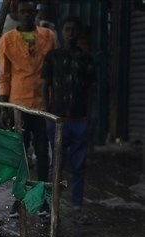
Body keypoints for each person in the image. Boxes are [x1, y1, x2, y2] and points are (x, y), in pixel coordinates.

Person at [0, 1, 55, 219]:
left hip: (42, 105)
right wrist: (4, 107)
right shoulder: (8, 40)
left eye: (31, 11)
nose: (28, 15)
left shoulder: (48, 37)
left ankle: (41, 200)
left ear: (36, 13)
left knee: (42, 153)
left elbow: (53, 70)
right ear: (16, 14)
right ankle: (19, 200)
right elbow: (4, 75)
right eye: (24, 11)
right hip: (18, 104)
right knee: (20, 155)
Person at [42, 16, 94, 225]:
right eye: (67, 30)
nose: (70, 34)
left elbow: (92, 90)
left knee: (78, 166)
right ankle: (52, 207)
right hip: (59, 119)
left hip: (79, 119)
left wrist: (89, 117)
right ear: (62, 32)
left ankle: (77, 207)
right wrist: (48, 115)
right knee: (57, 166)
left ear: (78, 33)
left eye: (74, 30)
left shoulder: (86, 60)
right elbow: (45, 86)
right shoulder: (53, 57)